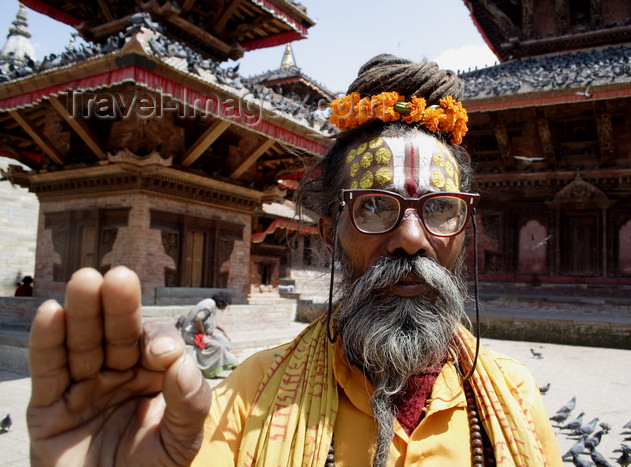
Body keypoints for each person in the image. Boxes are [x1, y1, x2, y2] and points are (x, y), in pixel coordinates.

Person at [26, 54, 563, 466]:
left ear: (465, 232)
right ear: (329, 233)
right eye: (375, 206)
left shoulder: (512, 396)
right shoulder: (246, 397)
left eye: (441, 209)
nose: (411, 238)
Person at [178, 292, 239, 378]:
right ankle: (210, 370)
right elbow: (198, 319)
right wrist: (203, 334)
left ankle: (233, 365)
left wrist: (222, 330)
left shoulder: (211, 304)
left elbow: (209, 321)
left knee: (224, 343)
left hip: (197, 333)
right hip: (191, 335)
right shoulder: (209, 304)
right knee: (217, 346)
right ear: (222, 302)